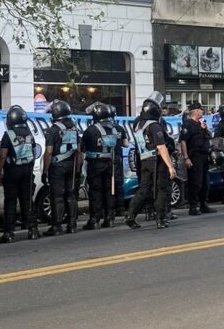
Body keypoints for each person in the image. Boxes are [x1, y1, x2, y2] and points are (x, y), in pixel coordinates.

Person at [125, 92, 177, 229]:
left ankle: (130, 215)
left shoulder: (138, 124)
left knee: (144, 190)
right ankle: (160, 219)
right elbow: (161, 147)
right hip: (157, 161)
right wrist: (170, 166)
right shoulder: (154, 126)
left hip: (144, 160)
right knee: (161, 190)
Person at [0, 106, 40, 242]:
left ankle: (9, 233)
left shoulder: (8, 134)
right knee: (27, 201)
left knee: (10, 202)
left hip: (12, 172)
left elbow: (2, 156)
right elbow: (33, 153)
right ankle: (33, 230)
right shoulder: (29, 133)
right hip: (27, 170)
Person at [42, 100, 81, 236]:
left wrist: (45, 171)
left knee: (57, 196)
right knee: (71, 195)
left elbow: (48, 152)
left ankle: (57, 226)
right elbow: (79, 151)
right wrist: (77, 170)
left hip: (57, 166)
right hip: (72, 165)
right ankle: (72, 225)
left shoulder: (53, 130)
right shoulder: (75, 128)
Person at [82, 103, 122, 229]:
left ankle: (94, 220)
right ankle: (109, 218)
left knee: (95, 191)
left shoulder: (91, 130)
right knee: (109, 191)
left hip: (96, 164)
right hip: (111, 163)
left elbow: (82, 147)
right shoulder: (114, 129)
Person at [181, 106, 216, 215]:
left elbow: (211, 136)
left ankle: (203, 204)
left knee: (205, 182)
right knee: (195, 182)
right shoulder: (188, 124)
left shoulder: (201, 124)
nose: (203, 112)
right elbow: (183, 142)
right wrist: (186, 158)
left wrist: (205, 128)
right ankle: (193, 206)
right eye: (201, 110)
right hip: (194, 157)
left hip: (204, 156)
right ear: (196, 111)